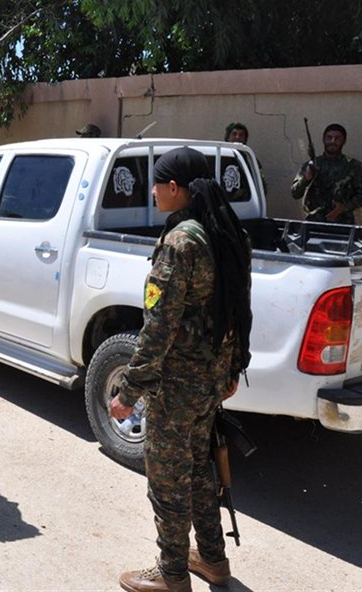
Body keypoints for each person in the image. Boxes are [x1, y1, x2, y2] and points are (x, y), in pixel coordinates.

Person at [110, 147, 252, 592]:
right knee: (195, 471)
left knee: (168, 481)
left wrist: (128, 391)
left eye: (157, 184)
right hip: (209, 382)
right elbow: (235, 311)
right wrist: (230, 370)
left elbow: (158, 328)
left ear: (175, 189)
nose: (152, 192)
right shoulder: (223, 232)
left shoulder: (181, 242)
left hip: (177, 386)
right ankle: (212, 559)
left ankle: (171, 574)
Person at [290, 123, 362, 224]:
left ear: (344, 141)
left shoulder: (353, 166)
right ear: (323, 139)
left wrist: (343, 208)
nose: (333, 141)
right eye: (329, 137)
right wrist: (306, 178)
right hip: (314, 222)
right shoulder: (312, 164)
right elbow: (295, 193)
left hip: (343, 223)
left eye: (337, 138)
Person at [223, 122, 267, 197]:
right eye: (234, 134)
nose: (237, 137)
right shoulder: (220, 157)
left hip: (245, 204)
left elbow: (261, 187)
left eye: (241, 135)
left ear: (245, 139)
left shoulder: (250, 160)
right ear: (228, 137)